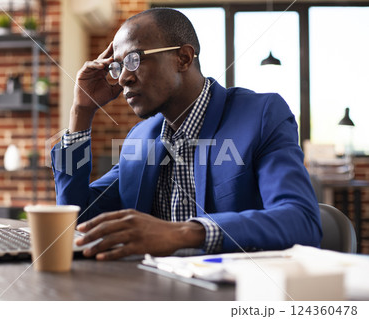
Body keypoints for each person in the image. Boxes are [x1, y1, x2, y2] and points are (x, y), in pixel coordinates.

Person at [51, 8, 322, 261]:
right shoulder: (140, 139)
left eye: (134, 60)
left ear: (183, 58)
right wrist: (81, 112)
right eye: (118, 66)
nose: (122, 79)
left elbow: (301, 221)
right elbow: (76, 216)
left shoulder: (260, 116)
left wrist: (182, 233)